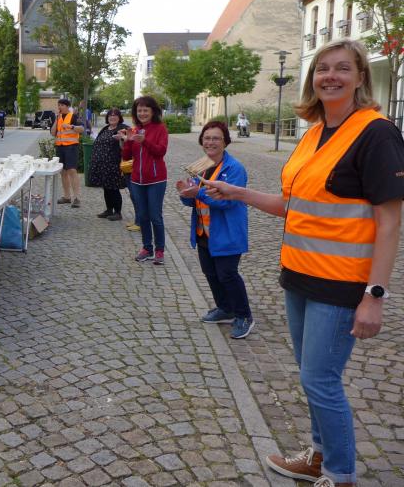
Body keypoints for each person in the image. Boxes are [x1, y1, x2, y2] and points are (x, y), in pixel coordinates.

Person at [203, 39, 404, 487]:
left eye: (342, 68)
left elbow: (390, 223)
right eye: (322, 69)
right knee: (311, 377)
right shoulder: (313, 133)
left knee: (321, 380)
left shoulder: (377, 133)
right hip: (298, 277)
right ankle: (318, 455)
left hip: (341, 284)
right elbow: (291, 205)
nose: (330, 76)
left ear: (360, 77)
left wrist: (374, 295)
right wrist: (238, 192)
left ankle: (340, 474)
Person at [175, 121, 254, 339]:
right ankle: (225, 308)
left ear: (225, 142)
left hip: (227, 232)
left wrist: (197, 193)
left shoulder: (234, 168)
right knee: (210, 273)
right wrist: (185, 193)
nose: (211, 142)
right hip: (204, 231)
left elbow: (228, 201)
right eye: (207, 138)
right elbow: (193, 201)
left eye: (216, 138)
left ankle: (244, 315)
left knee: (227, 274)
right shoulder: (201, 164)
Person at [117, 96, 169, 265]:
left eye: (146, 110)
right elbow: (127, 156)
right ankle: (147, 248)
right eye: (139, 110)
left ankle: (159, 250)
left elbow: (160, 151)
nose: (142, 113)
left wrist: (144, 141)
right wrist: (126, 141)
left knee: (155, 216)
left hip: (156, 180)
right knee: (143, 216)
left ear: (153, 111)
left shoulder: (160, 129)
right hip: (137, 180)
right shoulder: (134, 129)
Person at [89, 108, 129, 220]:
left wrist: (122, 139)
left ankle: (118, 212)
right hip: (102, 164)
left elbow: (128, 144)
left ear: (119, 117)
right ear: (107, 117)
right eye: (110, 115)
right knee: (106, 187)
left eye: (115, 115)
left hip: (114, 164)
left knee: (114, 188)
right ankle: (109, 209)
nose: (112, 117)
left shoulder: (123, 128)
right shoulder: (105, 128)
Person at [50, 98, 84, 208]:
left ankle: (77, 198)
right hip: (60, 147)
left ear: (67, 106)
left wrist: (71, 126)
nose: (59, 107)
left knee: (72, 171)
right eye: (58, 105)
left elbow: (82, 129)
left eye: (62, 105)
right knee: (63, 172)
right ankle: (67, 197)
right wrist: (56, 119)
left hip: (71, 147)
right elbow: (53, 133)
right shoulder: (58, 118)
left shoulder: (73, 116)